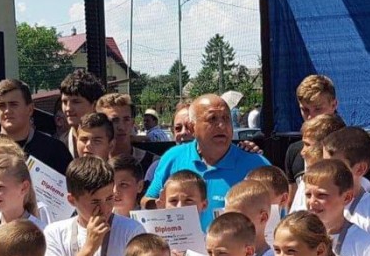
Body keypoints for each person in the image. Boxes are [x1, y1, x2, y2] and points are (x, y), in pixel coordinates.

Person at [145, 95, 270, 225]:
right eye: (212, 119)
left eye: (226, 118)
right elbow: (147, 201)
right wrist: (167, 207)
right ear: (192, 128)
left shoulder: (257, 164)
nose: (221, 125)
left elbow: (275, 215)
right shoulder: (173, 157)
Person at [0, 78, 70, 175]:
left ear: (30, 109)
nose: (7, 111)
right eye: (1, 105)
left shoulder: (55, 150)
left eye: (13, 104)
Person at [322, 127, 370, 247]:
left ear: (360, 169)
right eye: (324, 164)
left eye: (335, 166)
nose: (326, 171)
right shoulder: (315, 205)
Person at [284, 74, 339, 182]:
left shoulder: (353, 145)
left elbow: (369, 189)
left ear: (334, 105)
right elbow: (293, 193)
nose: (310, 116)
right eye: (305, 110)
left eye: (318, 109)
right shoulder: (294, 151)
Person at [97, 92, 156, 177]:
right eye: (114, 120)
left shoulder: (153, 164)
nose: (121, 127)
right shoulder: (93, 166)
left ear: (132, 122)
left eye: (126, 119)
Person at [59, 69, 106, 159]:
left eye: (76, 102)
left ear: (95, 105)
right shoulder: (57, 146)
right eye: (64, 102)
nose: (68, 108)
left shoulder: (112, 145)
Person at [110, 154, 145, 218]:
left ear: (140, 186)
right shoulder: (97, 217)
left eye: (123, 184)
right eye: (110, 184)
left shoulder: (151, 220)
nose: (115, 191)